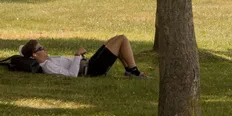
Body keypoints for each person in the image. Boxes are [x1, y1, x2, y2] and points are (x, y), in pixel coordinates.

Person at [19, 35, 150, 78]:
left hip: (89, 64)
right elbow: (72, 75)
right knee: (121, 39)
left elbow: (22, 51)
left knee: (115, 40)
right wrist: (77, 55)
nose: (45, 49)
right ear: (35, 55)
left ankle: (130, 70)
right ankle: (134, 71)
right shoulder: (48, 67)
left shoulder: (48, 59)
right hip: (91, 70)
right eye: (41, 48)